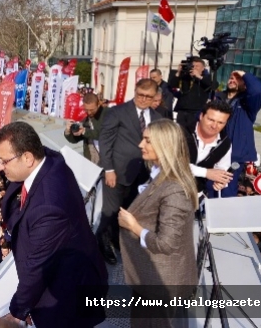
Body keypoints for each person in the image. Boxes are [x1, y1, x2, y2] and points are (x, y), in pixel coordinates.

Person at [0, 122, 108, 328]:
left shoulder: (49, 207)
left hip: (67, 293)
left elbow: (36, 268)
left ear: (27, 158)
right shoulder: (47, 159)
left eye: (5, 162)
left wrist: (16, 313)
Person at [117, 119, 199, 327]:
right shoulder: (161, 175)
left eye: (147, 141)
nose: (140, 145)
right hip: (151, 277)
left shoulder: (174, 189)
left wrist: (133, 226)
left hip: (161, 282)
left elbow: (166, 244)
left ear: (164, 145)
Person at [98, 78, 162, 265]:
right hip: (116, 172)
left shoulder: (158, 117)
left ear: (155, 97)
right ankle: (101, 241)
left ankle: (117, 240)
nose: (143, 99)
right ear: (135, 92)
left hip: (143, 175)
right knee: (110, 211)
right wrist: (108, 169)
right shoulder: (117, 112)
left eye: (148, 96)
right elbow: (105, 141)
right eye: (140, 95)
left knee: (129, 211)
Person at [217, 70, 261, 194]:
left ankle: (225, 213)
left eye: (237, 79)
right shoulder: (217, 97)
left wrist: (244, 74)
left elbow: (259, 91)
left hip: (235, 155)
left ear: (245, 84)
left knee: (227, 188)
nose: (232, 80)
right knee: (212, 186)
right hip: (215, 151)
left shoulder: (247, 103)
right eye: (230, 78)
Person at [182, 100, 233, 197]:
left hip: (196, 195)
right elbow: (171, 164)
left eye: (220, 122)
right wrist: (206, 173)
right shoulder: (180, 132)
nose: (214, 126)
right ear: (201, 116)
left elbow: (222, 170)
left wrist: (221, 181)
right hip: (169, 191)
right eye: (211, 120)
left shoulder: (225, 143)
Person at [168, 58, 214, 126]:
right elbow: (171, 85)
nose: (194, 68)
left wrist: (198, 76)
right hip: (182, 110)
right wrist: (178, 72)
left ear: (203, 68)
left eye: (197, 66)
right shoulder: (185, 77)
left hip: (196, 110)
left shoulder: (206, 78)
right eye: (193, 66)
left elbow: (212, 86)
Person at [63, 93, 107, 164]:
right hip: (92, 161)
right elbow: (74, 140)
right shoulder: (85, 121)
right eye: (86, 109)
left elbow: (104, 134)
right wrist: (69, 131)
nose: (89, 112)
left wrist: (84, 131)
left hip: (108, 161)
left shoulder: (108, 114)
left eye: (92, 110)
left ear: (98, 104)